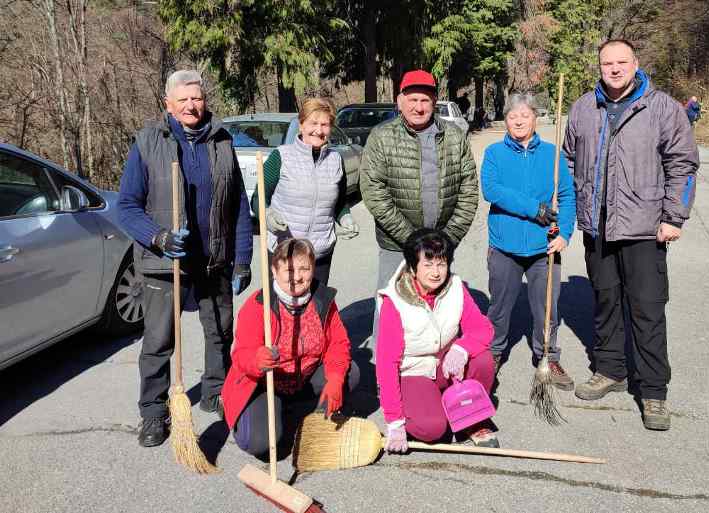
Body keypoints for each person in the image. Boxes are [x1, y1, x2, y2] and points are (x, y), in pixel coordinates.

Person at [562, 39, 698, 431]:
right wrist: (569, 208)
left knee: (647, 308)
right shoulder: (584, 108)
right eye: (608, 63)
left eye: (622, 62)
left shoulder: (663, 109)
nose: (615, 69)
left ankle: (653, 390)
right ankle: (610, 370)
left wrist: (674, 216)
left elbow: (683, 165)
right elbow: (569, 161)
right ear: (599, 66)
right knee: (605, 302)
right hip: (598, 226)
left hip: (644, 229)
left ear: (636, 63)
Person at [118, 70, 253, 447]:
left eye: (197, 98)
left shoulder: (221, 139)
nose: (192, 106)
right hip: (166, 263)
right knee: (159, 341)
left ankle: (215, 392)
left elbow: (238, 204)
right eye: (183, 101)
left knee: (221, 334)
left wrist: (242, 256)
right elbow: (126, 207)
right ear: (168, 105)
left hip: (214, 258)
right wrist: (158, 238)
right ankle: (153, 412)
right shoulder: (148, 142)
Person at [360, 69, 479, 348]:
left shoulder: (453, 137)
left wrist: (446, 240)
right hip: (395, 245)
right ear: (399, 102)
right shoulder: (381, 137)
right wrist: (412, 241)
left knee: (440, 313)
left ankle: (437, 372)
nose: (418, 107)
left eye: (425, 100)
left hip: (440, 245)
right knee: (391, 310)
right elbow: (374, 191)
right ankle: (385, 376)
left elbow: (468, 189)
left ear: (434, 101)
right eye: (412, 99)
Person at [221, 238, 359, 460]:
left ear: (313, 269)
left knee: (349, 373)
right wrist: (258, 360)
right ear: (274, 271)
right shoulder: (259, 305)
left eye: (304, 268)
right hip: (265, 383)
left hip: (303, 376)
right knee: (258, 443)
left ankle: (299, 411)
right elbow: (240, 355)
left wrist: (334, 379)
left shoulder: (322, 300)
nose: (297, 276)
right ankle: (252, 413)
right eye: (289, 269)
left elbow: (338, 343)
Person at [481, 92, 576, 386]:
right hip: (504, 246)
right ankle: (493, 354)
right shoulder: (495, 154)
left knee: (547, 308)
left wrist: (565, 233)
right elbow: (492, 190)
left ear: (536, 117)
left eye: (524, 115)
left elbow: (567, 196)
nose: (518, 120)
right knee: (499, 306)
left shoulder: (553, 155)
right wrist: (535, 209)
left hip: (543, 247)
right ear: (505, 121)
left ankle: (548, 356)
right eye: (512, 116)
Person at [376, 229, 497, 451]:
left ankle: (471, 420)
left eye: (441, 264)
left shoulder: (456, 288)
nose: (436, 272)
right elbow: (386, 363)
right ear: (413, 267)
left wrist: (461, 349)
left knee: (483, 360)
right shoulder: (394, 301)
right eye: (428, 264)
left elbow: (482, 329)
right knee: (431, 429)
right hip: (415, 371)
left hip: (449, 365)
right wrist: (395, 421)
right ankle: (427, 404)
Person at [252, 97, 358, 286]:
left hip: (320, 253)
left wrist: (346, 218)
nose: (319, 130)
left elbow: (340, 202)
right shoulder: (281, 157)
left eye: (325, 124)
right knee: (282, 312)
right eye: (313, 123)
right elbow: (258, 197)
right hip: (284, 251)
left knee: (316, 310)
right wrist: (267, 214)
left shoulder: (336, 160)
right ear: (301, 125)